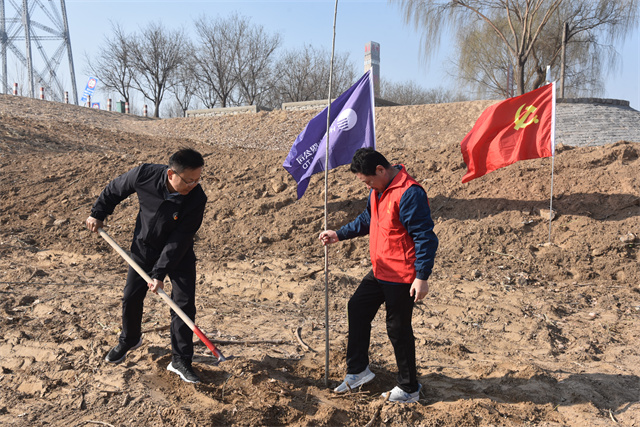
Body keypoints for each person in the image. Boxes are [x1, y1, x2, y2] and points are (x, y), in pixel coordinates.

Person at [319, 148, 438, 403]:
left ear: (381, 170)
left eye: (369, 181)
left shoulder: (410, 193)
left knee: (398, 329)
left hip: (402, 275)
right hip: (381, 269)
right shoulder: (378, 190)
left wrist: (422, 276)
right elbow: (367, 219)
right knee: (357, 307)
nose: (368, 186)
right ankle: (358, 371)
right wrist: (338, 234)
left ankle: (408, 388)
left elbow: (425, 236)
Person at [86, 148, 207, 384]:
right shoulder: (145, 174)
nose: (194, 184)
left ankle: (181, 359)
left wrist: (159, 273)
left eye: (198, 179)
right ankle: (130, 339)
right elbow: (115, 189)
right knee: (131, 296)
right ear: (171, 173)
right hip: (143, 247)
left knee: (183, 303)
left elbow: (180, 238)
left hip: (178, 253)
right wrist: (98, 213)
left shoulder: (196, 198)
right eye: (189, 180)